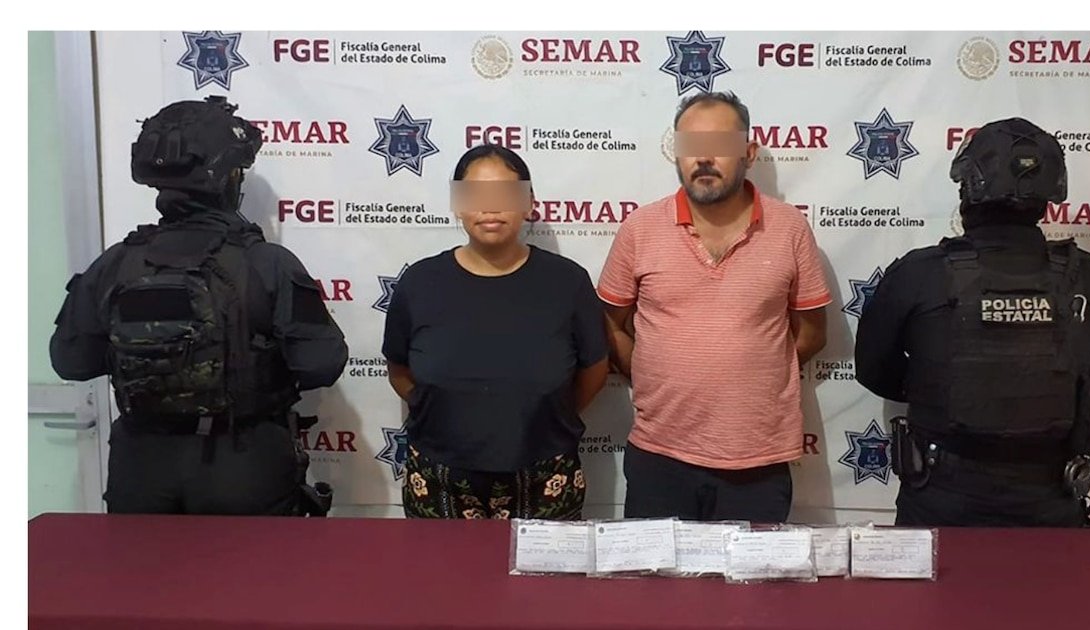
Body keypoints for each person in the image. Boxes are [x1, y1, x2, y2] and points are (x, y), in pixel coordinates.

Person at [50, 95, 348, 516]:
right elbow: (322, 365)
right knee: (257, 565)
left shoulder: (116, 263)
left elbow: (71, 362)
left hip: (142, 470)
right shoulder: (266, 263)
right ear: (229, 178)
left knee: (144, 565)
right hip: (243, 465)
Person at [855, 117, 1090, 527]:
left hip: (940, 501)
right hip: (1051, 503)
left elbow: (874, 371)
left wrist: (940, 384)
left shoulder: (918, 273)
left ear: (968, 187)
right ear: (1051, 192)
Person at [598, 92, 830, 522]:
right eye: (690, 145)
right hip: (659, 456)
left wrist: (757, 369)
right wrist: (653, 372)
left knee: (754, 570)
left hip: (758, 462)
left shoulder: (789, 228)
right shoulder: (640, 229)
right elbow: (610, 326)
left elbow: (813, 333)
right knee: (655, 569)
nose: (703, 158)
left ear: (749, 152)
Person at [382, 144, 609, 520]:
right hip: (440, 479)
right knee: (437, 563)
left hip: (545, 477)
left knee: (544, 564)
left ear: (529, 203)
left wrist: (545, 416)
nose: (490, 207)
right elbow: (399, 370)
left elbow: (595, 370)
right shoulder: (420, 283)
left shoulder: (567, 282)